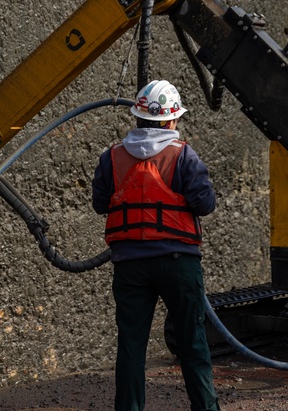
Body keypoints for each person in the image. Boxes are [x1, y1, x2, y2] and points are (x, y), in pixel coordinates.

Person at [92, 79, 220, 411]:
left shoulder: (113, 158)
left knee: (132, 347)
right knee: (192, 344)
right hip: (179, 263)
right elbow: (205, 204)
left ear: (138, 116)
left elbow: (100, 203)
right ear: (170, 120)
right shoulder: (184, 157)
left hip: (130, 265)